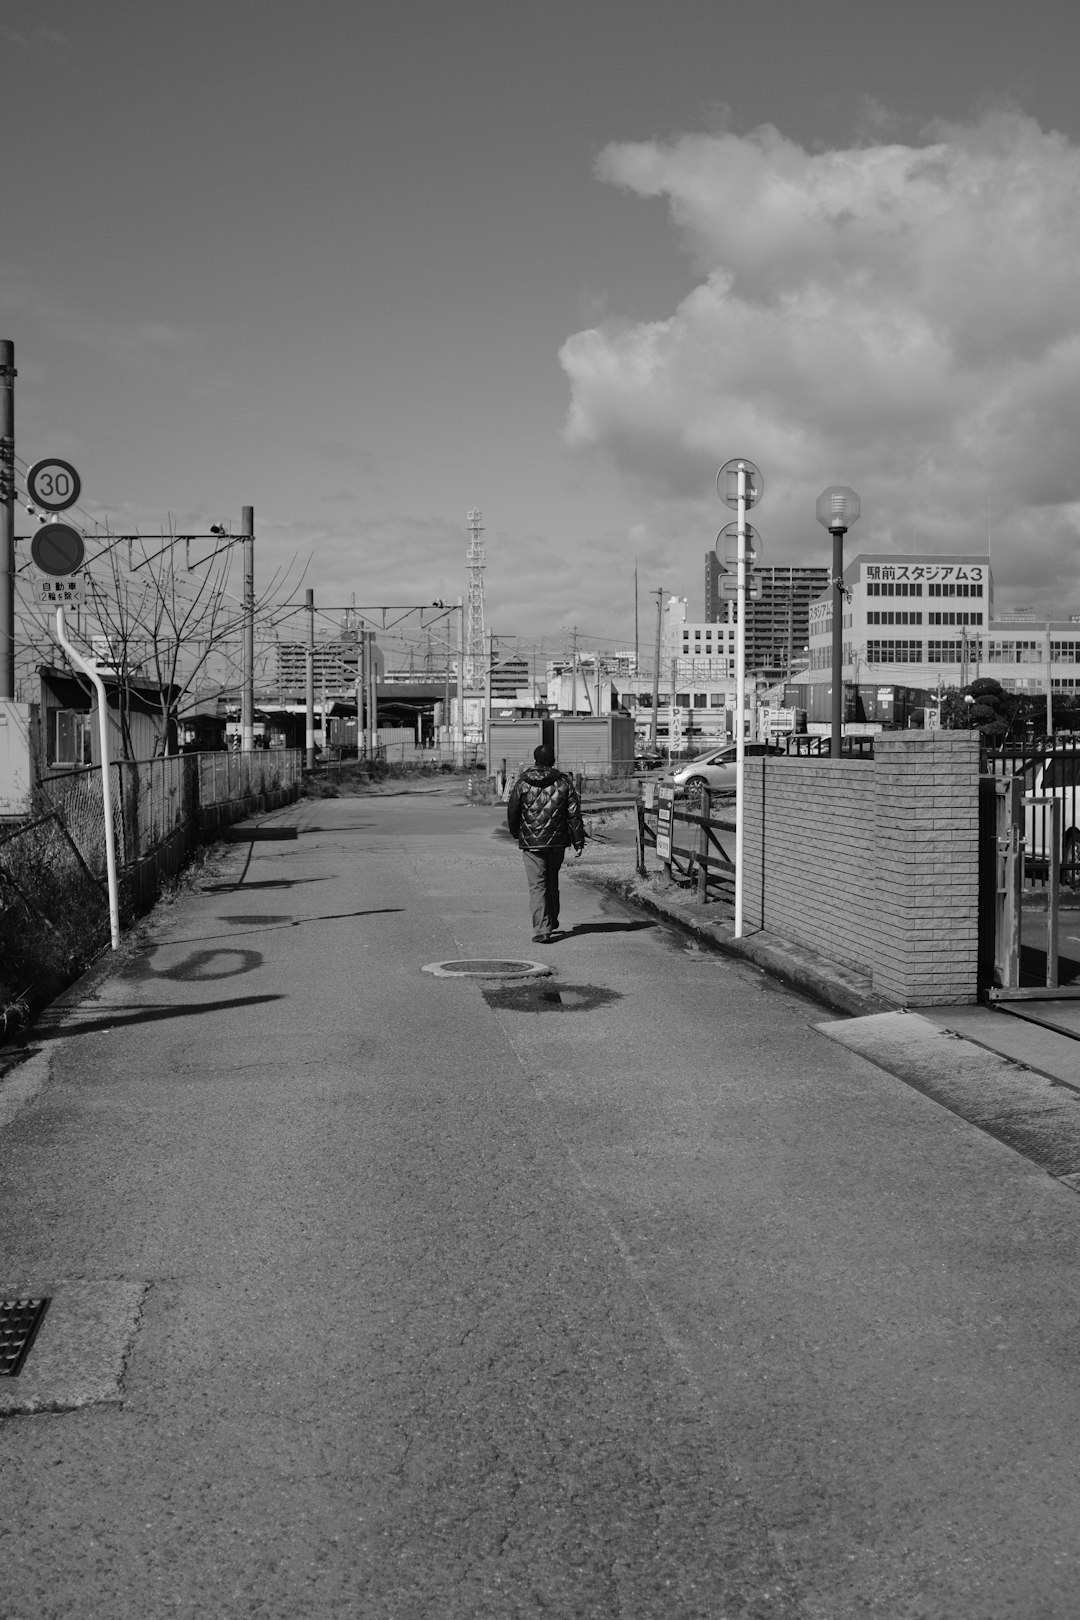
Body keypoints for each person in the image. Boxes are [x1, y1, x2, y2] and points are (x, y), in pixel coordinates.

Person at [506, 744, 585, 942]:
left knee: (537, 885)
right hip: (557, 842)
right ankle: (552, 918)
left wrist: (518, 833)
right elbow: (573, 814)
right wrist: (578, 841)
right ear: (553, 760)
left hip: (532, 843)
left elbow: (513, 811)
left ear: (535, 760)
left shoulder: (523, 783)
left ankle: (543, 928)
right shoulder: (564, 782)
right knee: (552, 881)